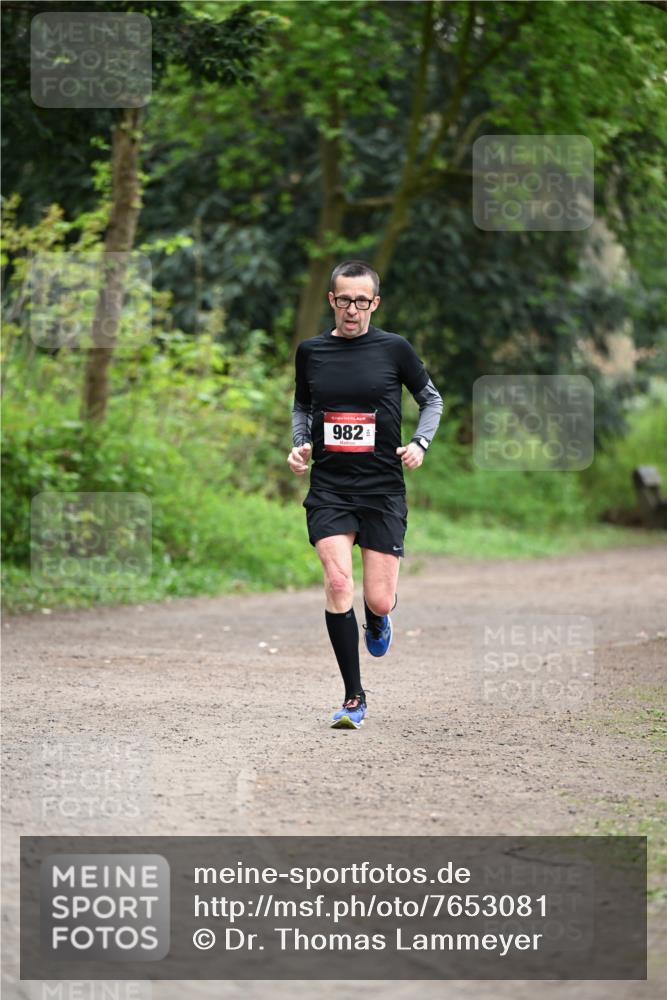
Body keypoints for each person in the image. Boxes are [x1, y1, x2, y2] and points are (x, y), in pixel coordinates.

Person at [287, 260, 443, 729]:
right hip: (331, 488)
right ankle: (354, 698)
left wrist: (419, 443)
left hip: (382, 489)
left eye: (361, 301)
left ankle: (379, 619)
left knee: (377, 599)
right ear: (331, 301)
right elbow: (302, 404)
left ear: (373, 303)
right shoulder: (311, 351)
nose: (351, 309)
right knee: (338, 584)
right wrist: (300, 443)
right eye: (343, 300)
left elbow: (431, 399)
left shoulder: (394, 349)